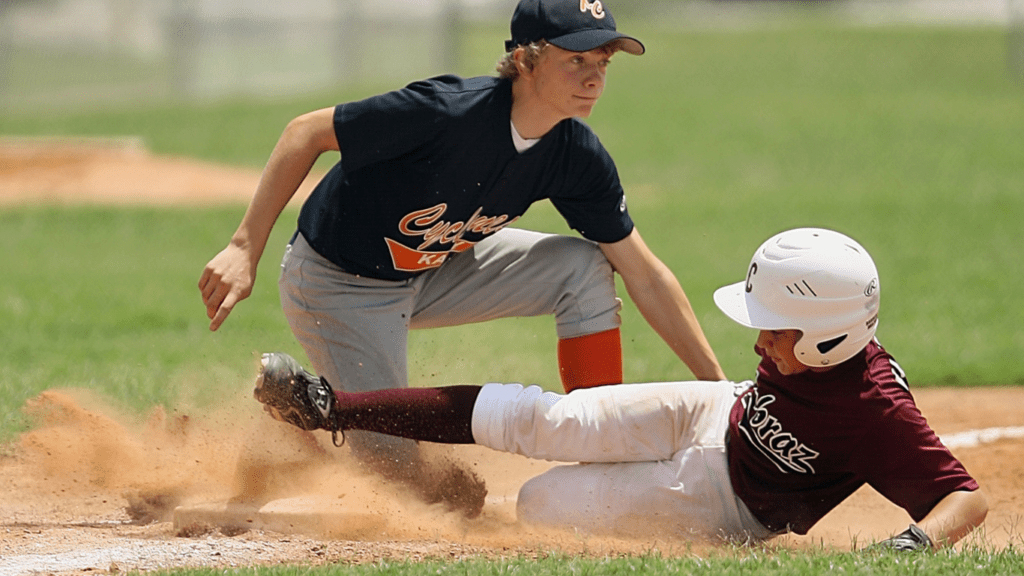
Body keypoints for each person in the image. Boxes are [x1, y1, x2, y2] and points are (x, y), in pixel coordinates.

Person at [198, 0, 726, 508]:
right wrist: (245, 246)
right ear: (525, 60)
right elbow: (305, 132)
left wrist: (720, 391)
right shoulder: (446, 112)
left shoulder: (575, 156)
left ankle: (600, 442)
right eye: (576, 60)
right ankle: (297, 426)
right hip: (340, 285)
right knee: (402, 483)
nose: (594, 78)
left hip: (434, 267)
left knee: (583, 266)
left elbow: (645, 273)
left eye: (602, 63)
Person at [252, 227, 988, 548]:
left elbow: (966, 497)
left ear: (831, 336)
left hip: (732, 504)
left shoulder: (878, 413)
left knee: (544, 503)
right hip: (716, 410)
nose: (761, 339)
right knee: (545, 419)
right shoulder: (808, 349)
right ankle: (327, 406)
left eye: (777, 330)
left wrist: (913, 545)